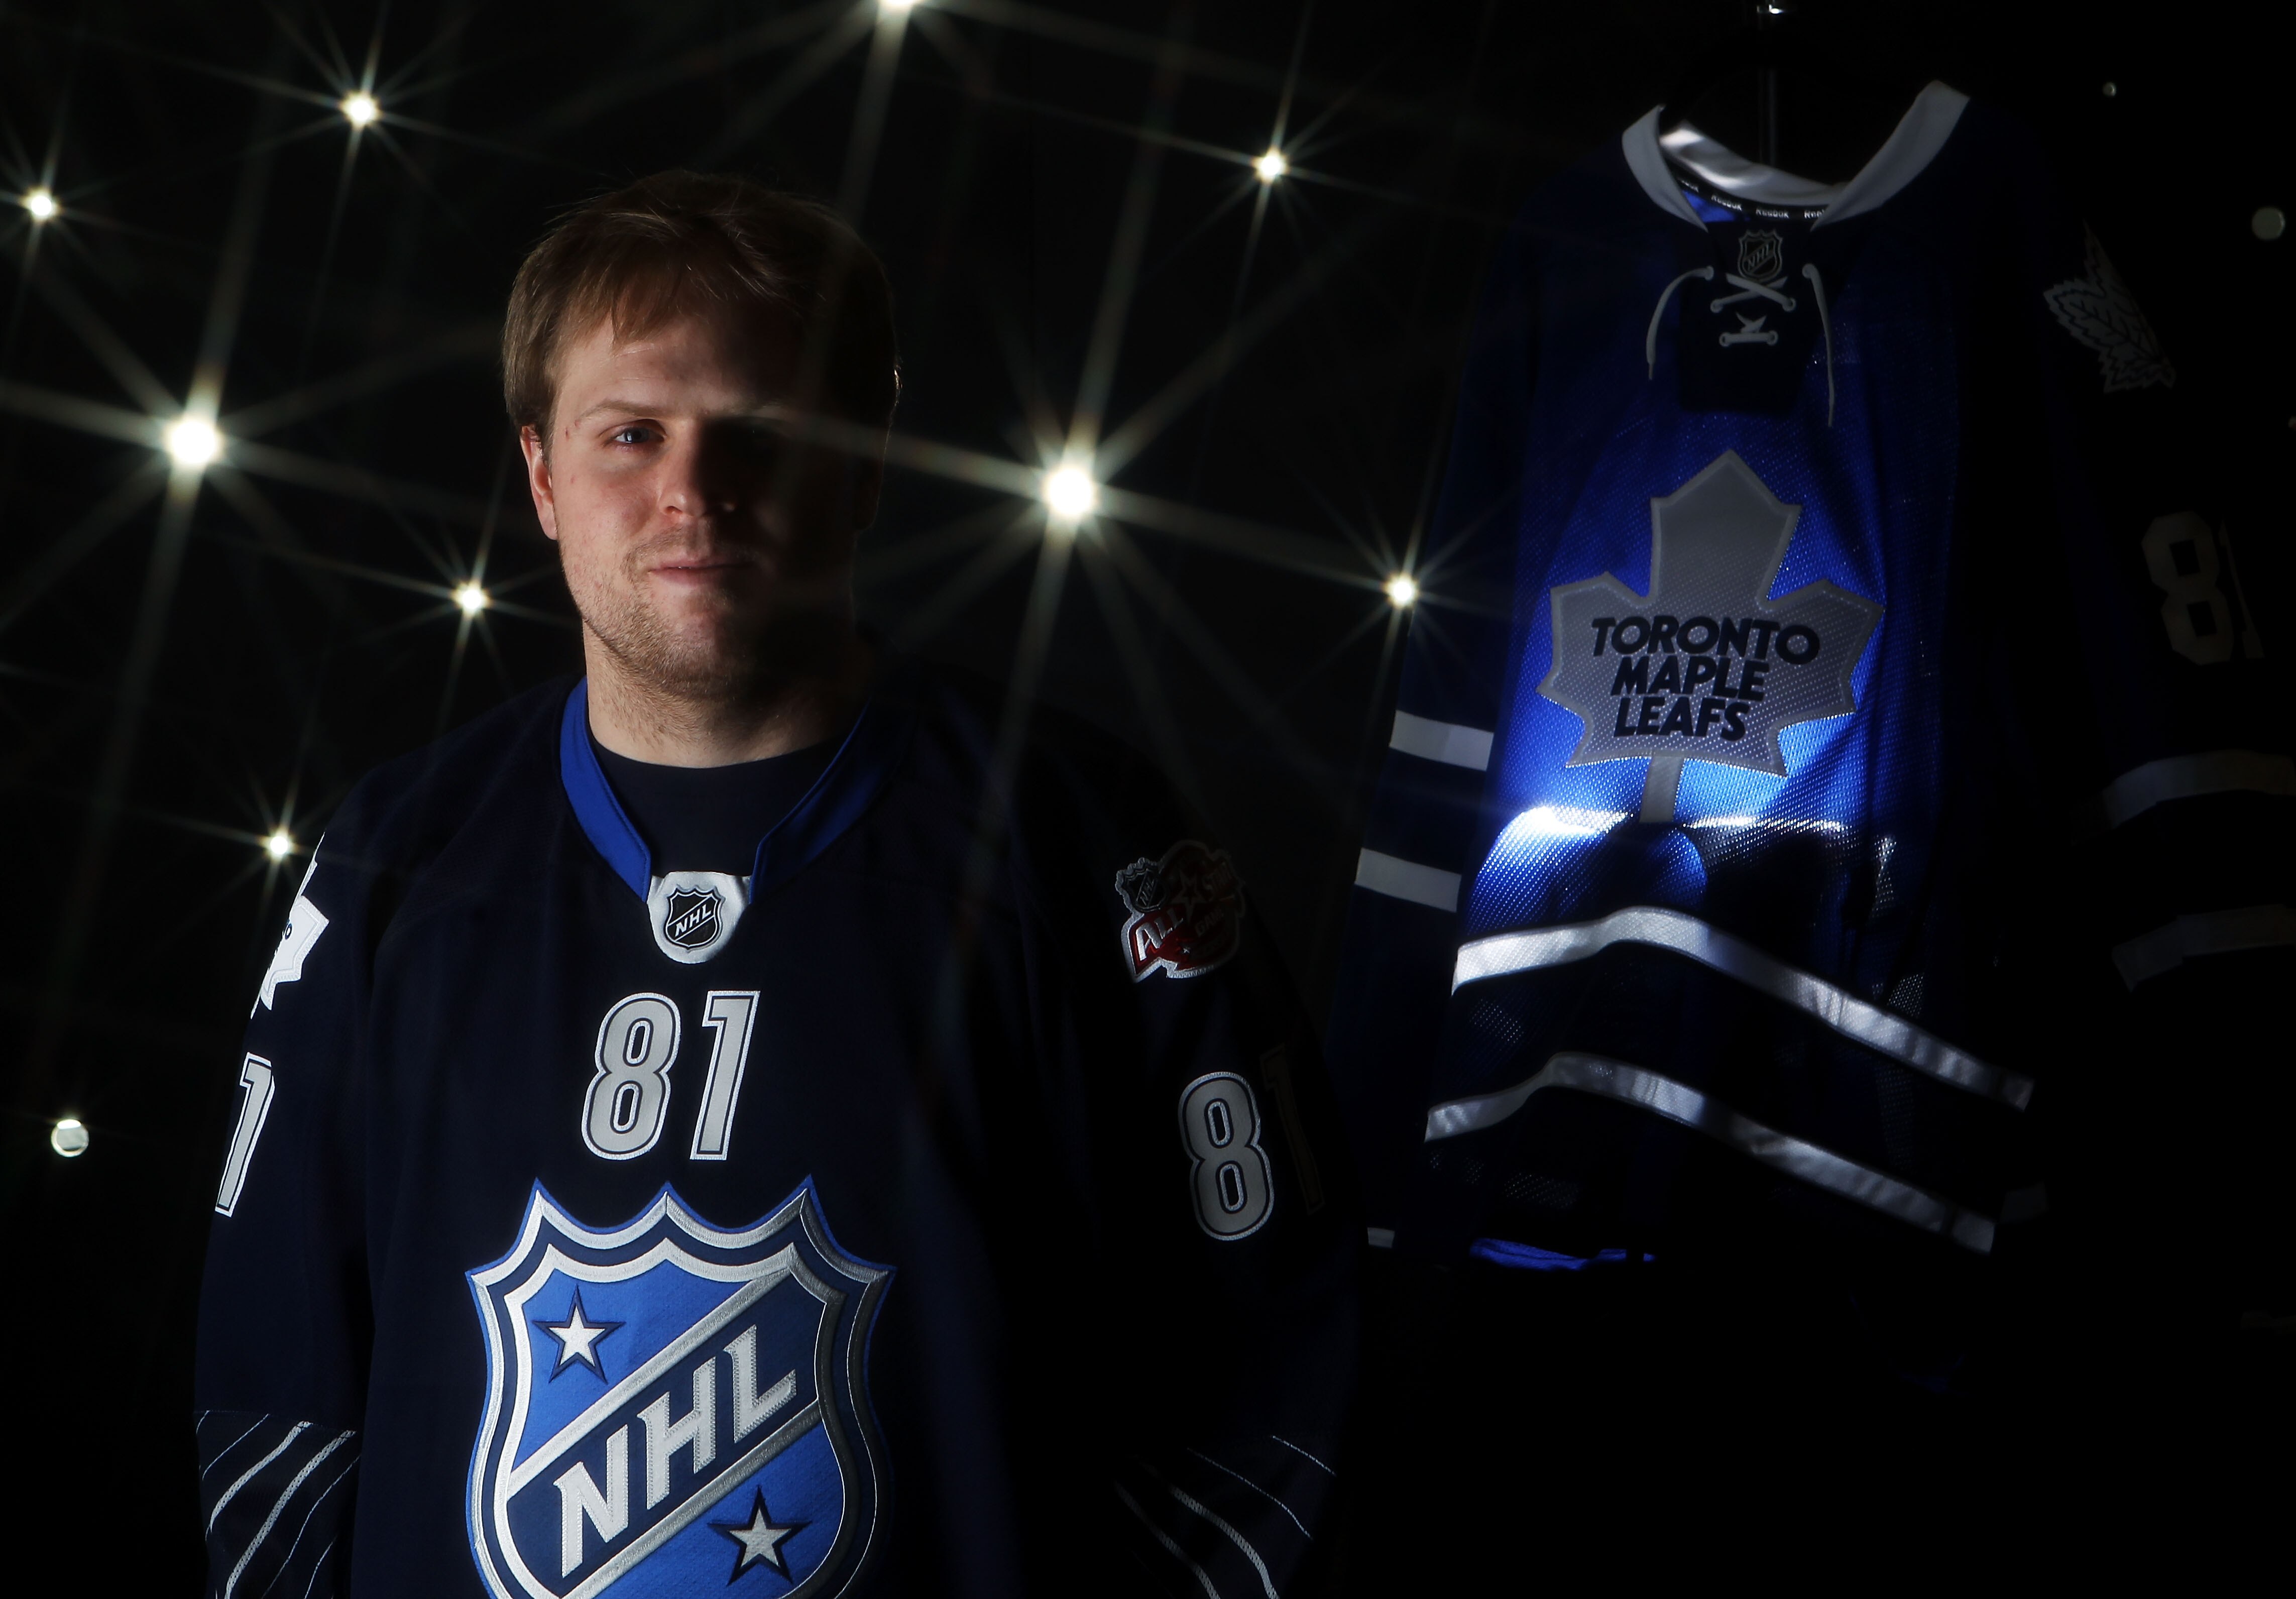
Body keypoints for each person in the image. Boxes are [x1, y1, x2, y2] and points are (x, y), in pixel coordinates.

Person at [194, 170, 1354, 1599]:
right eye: (632, 434)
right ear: (543, 477)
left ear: (864, 460)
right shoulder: (392, 862)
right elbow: (274, 1394)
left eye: (759, 432)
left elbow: (1270, 1384)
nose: (694, 492)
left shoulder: (1087, 845)